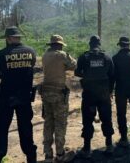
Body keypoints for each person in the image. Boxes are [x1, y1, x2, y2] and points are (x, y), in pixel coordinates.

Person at [0, 26, 37, 163]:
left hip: (6, 98)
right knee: (26, 128)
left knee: (1, 129)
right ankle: (31, 157)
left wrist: (7, 73)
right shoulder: (31, 52)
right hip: (24, 97)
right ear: (18, 37)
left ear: (8, 38)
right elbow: (30, 68)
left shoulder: (1, 54)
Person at [74, 35, 115, 158]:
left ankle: (87, 149)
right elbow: (112, 75)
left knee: (87, 120)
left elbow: (77, 72)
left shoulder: (84, 57)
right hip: (104, 94)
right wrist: (110, 91)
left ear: (90, 44)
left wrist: (86, 74)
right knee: (106, 118)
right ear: (99, 44)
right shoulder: (106, 57)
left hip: (89, 94)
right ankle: (109, 145)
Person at [41, 35, 77, 163]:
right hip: (59, 94)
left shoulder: (45, 56)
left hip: (46, 93)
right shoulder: (62, 55)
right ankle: (60, 154)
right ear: (60, 45)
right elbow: (74, 65)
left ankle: (48, 155)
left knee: (48, 123)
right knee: (60, 123)